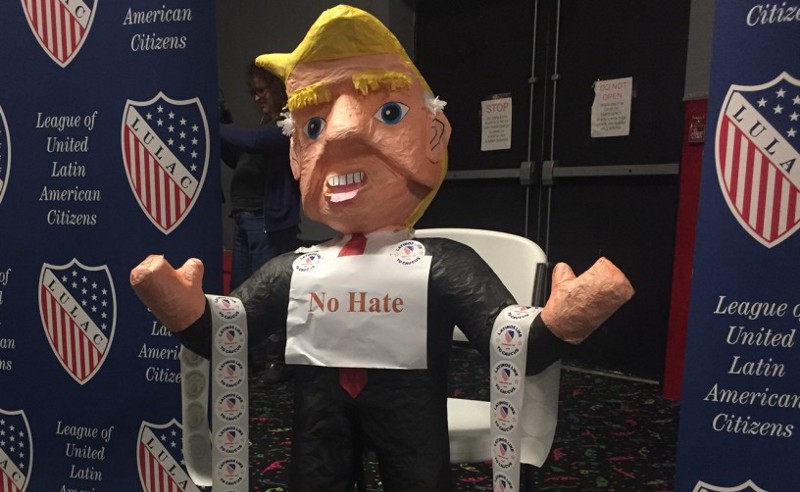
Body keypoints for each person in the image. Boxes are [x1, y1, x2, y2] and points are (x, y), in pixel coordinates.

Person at [130, 5, 634, 491]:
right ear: (296, 153)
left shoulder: (442, 264)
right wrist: (183, 308)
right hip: (318, 424)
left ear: (433, 137)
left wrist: (562, 321)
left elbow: (506, 339)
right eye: (313, 126)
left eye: (388, 113)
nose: (343, 135)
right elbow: (227, 333)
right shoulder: (299, 268)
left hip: (411, 420)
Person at [220, 63, 300, 383]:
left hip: (268, 222)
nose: (256, 98)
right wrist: (224, 124)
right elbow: (239, 157)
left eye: (261, 90)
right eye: (252, 92)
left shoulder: (290, 123)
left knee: (269, 295)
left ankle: (274, 362)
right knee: (240, 296)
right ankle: (249, 358)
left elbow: (253, 142)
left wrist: (208, 125)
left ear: (279, 90)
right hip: (246, 220)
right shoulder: (268, 121)